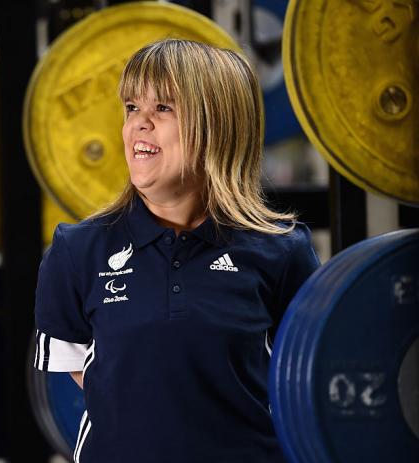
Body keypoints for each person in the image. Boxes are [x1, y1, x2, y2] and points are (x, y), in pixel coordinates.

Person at [32, 39, 320, 463]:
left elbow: (306, 373)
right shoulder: (76, 251)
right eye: (132, 108)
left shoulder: (281, 250)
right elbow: (87, 370)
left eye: (163, 108)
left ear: (218, 126)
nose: (139, 124)